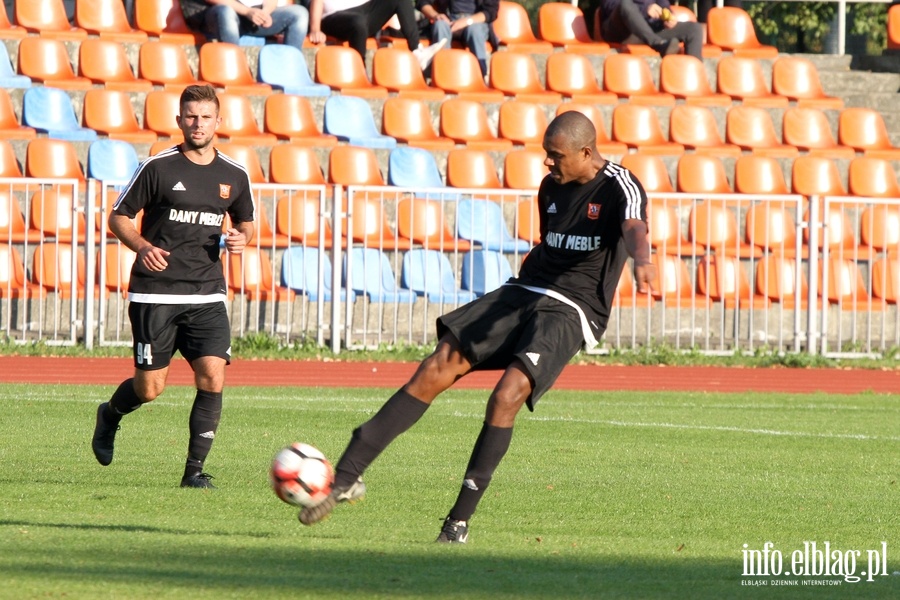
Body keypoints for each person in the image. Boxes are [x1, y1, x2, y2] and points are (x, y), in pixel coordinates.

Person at [296, 111, 657, 543]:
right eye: (546, 154)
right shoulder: (550, 188)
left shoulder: (621, 185)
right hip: (526, 288)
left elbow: (635, 226)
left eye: (555, 155)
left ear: (585, 151)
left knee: (506, 395)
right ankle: (345, 478)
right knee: (438, 364)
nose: (547, 163)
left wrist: (645, 262)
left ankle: (457, 523)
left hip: (573, 306)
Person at [91, 84, 255, 489]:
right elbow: (118, 217)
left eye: (205, 117)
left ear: (219, 121)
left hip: (207, 293)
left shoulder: (234, 174)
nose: (197, 124)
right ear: (179, 120)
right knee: (150, 389)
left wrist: (241, 239)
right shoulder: (158, 167)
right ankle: (110, 413)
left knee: (213, 377)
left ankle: (193, 473)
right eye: (190, 117)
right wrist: (143, 246)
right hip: (155, 294)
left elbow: (246, 223)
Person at [307, 0, 445, 69]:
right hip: (334, 17)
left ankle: (416, 50)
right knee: (357, 21)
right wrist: (315, 29)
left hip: (363, 12)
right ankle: (359, 70)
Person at [180, 0, 309, 52]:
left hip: (252, 16)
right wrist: (246, 12)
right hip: (215, 14)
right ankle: (234, 67)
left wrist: (265, 13)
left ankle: (291, 67)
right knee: (226, 12)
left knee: (299, 13)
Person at [416, 0, 499, 77]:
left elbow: (491, 11)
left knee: (475, 30)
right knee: (440, 25)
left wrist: (466, 21)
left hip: (475, 21)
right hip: (449, 20)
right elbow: (422, 2)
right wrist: (436, 16)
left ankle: (480, 75)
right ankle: (442, 75)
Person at [597, 0, 702, 58]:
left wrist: (668, 16)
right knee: (626, 4)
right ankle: (658, 44)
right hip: (623, 32)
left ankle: (696, 79)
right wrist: (645, 10)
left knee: (694, 29)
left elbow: (663, 4)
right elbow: (610, 6)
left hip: (649, 31)